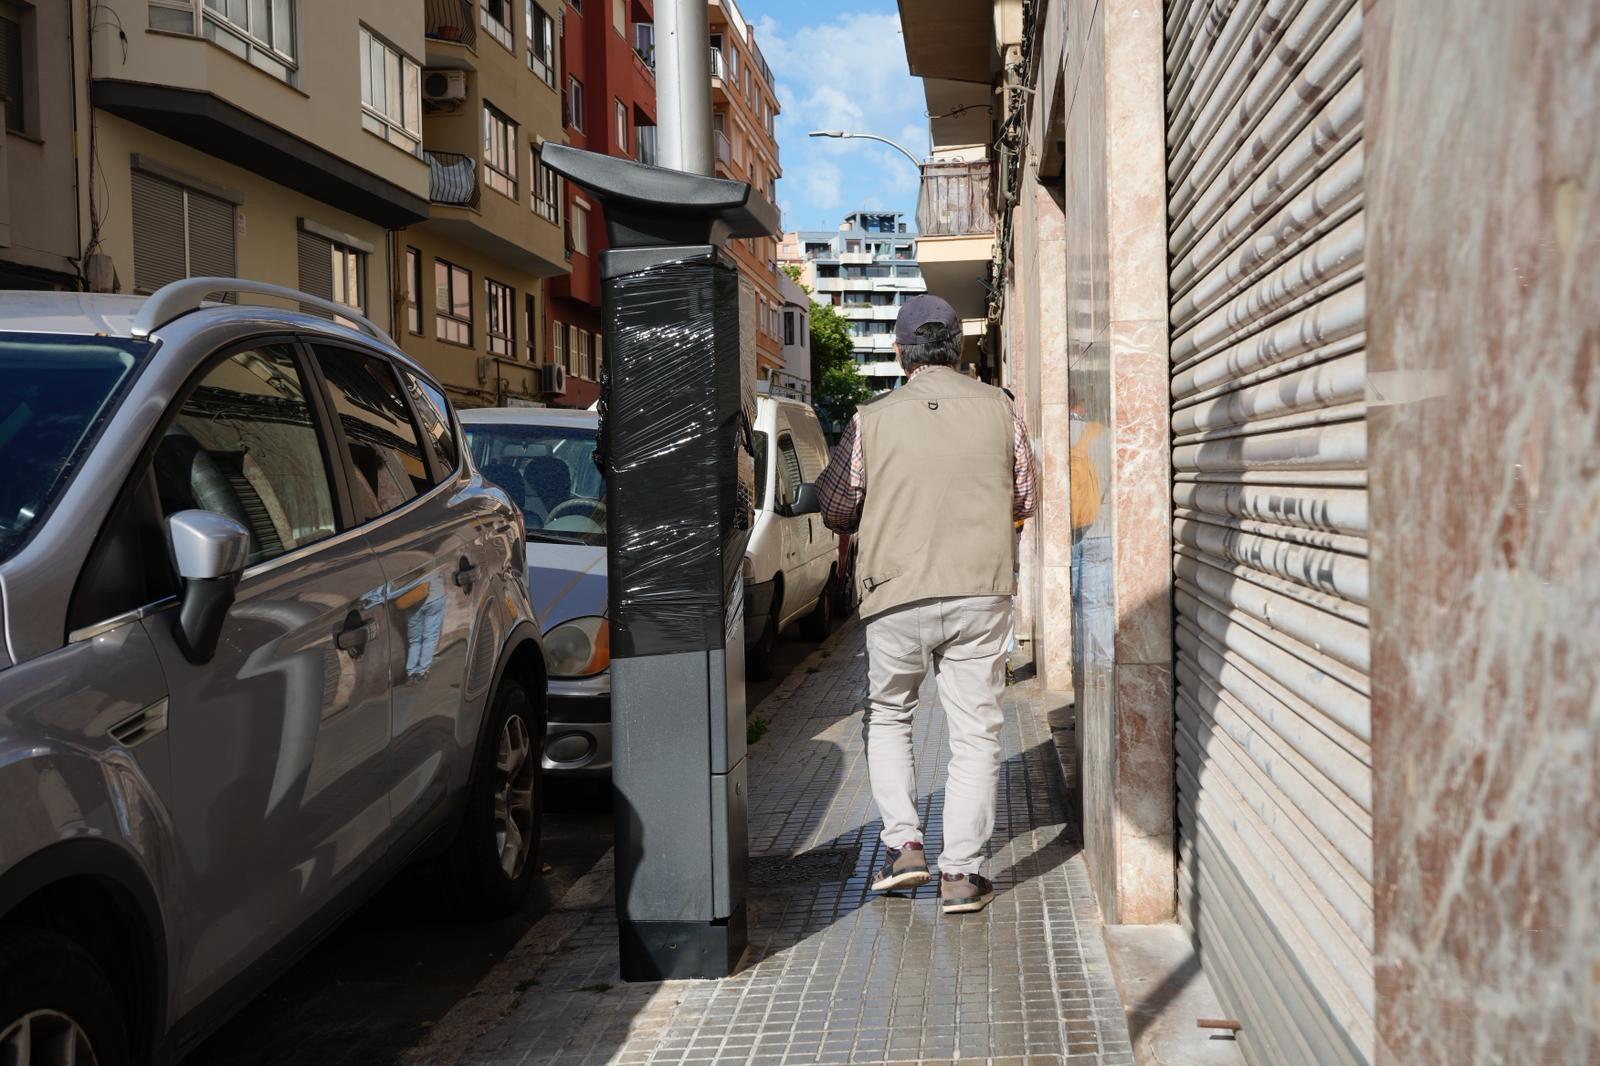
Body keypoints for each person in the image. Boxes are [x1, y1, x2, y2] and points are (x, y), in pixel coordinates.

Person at [815, 294, 1036, 915]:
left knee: (889, 715)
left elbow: (837, 505)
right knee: (976, 731)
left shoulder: (870, 419)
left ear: (899, 352)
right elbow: (1025, 497)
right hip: (980, 589)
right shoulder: (1002, 408)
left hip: (895, 591)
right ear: (958, 349)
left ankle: (904, 848)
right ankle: (961, 875)